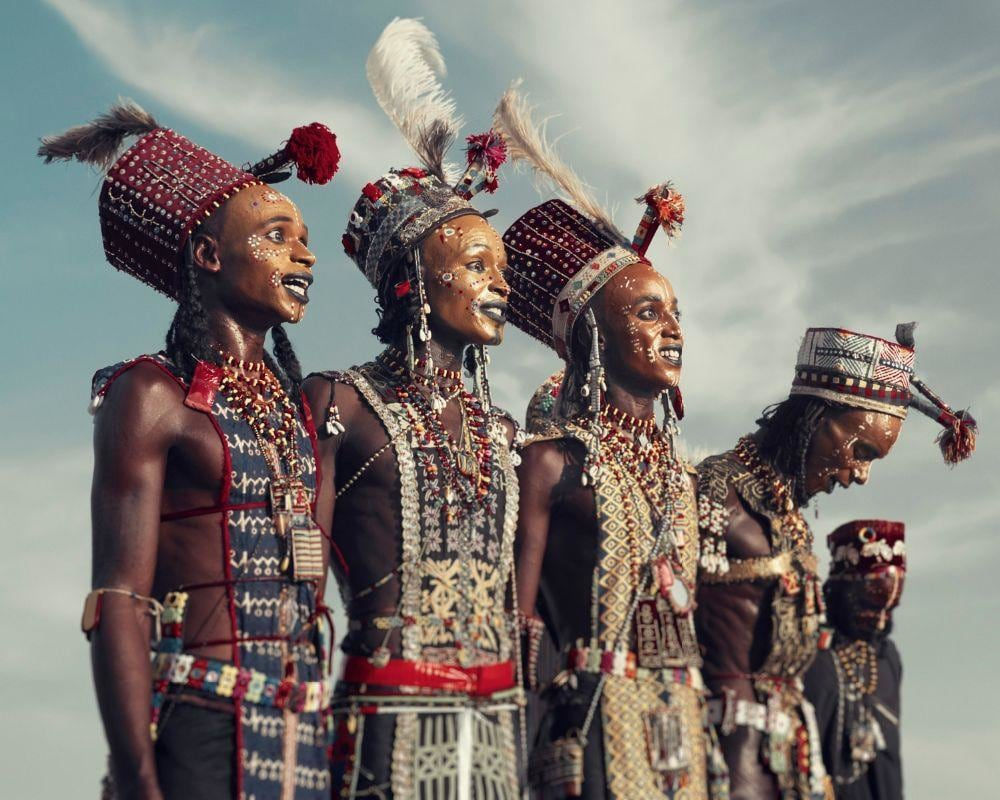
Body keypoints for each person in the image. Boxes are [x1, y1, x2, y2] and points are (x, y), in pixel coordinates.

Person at [39, 102, 340, 799]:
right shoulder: (152, 394)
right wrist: (137, 778)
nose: (305, 255)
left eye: (304, 239)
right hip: (198, 726)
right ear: (208, 255)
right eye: (276, 236)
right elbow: (118, 599)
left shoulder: (299, 410)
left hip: (303, 738)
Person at [302, 19, 521, 799]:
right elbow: (300, 581)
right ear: (416, 280)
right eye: (477, 265)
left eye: (502, 268)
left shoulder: (502, 431)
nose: (501, 285)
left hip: (496, 730)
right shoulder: (340, 401)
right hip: (384, 724)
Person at [494, 85, 728, 799]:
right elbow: (519, 625)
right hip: (590, 733)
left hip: (685, 736)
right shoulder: (550, 463)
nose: (673, 331)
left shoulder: (683, 478)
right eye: (648, 313)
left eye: (675, 313)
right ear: (593, 335)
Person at [695, 324, 977, 799]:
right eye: (862, 452)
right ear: (817, 416)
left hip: (787, 771)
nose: (861, 476)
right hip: (717, 768)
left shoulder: (787, 517)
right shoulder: (712, 492)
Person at [804, 520, 906, 799]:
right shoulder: (812, 648)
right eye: (871, 607)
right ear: (844, 590)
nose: (881, 620)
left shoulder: (887, 658)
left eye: (889, 610)